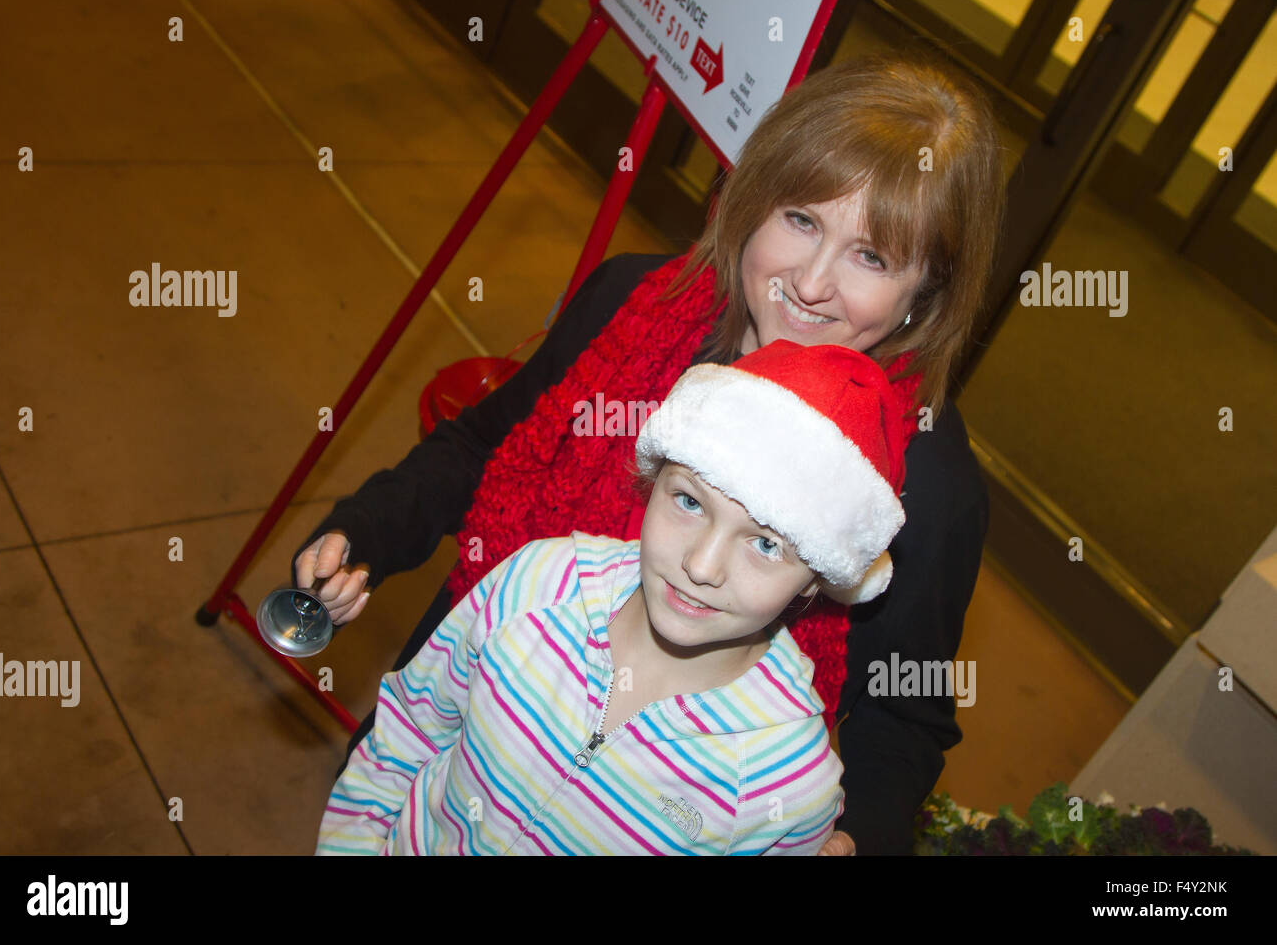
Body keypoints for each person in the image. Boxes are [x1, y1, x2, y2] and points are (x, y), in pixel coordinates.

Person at [295, 51, 1005, 854]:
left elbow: (901, 712)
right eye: (801, 220)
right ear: (751, 200)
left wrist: (861, 837)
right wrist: (363, 535)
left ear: (926, 294)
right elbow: (480, 449)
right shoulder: (635, 299)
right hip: (464, 738)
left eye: (870, 257)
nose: (809, 284)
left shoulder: (926, 483)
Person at [317, 341, 910, 855]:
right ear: (654, 479)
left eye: (764, 543)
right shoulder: (539, 583)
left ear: (816, 579)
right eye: (689, 502)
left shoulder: (785, 779)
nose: (700, 566)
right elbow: (407, 734)